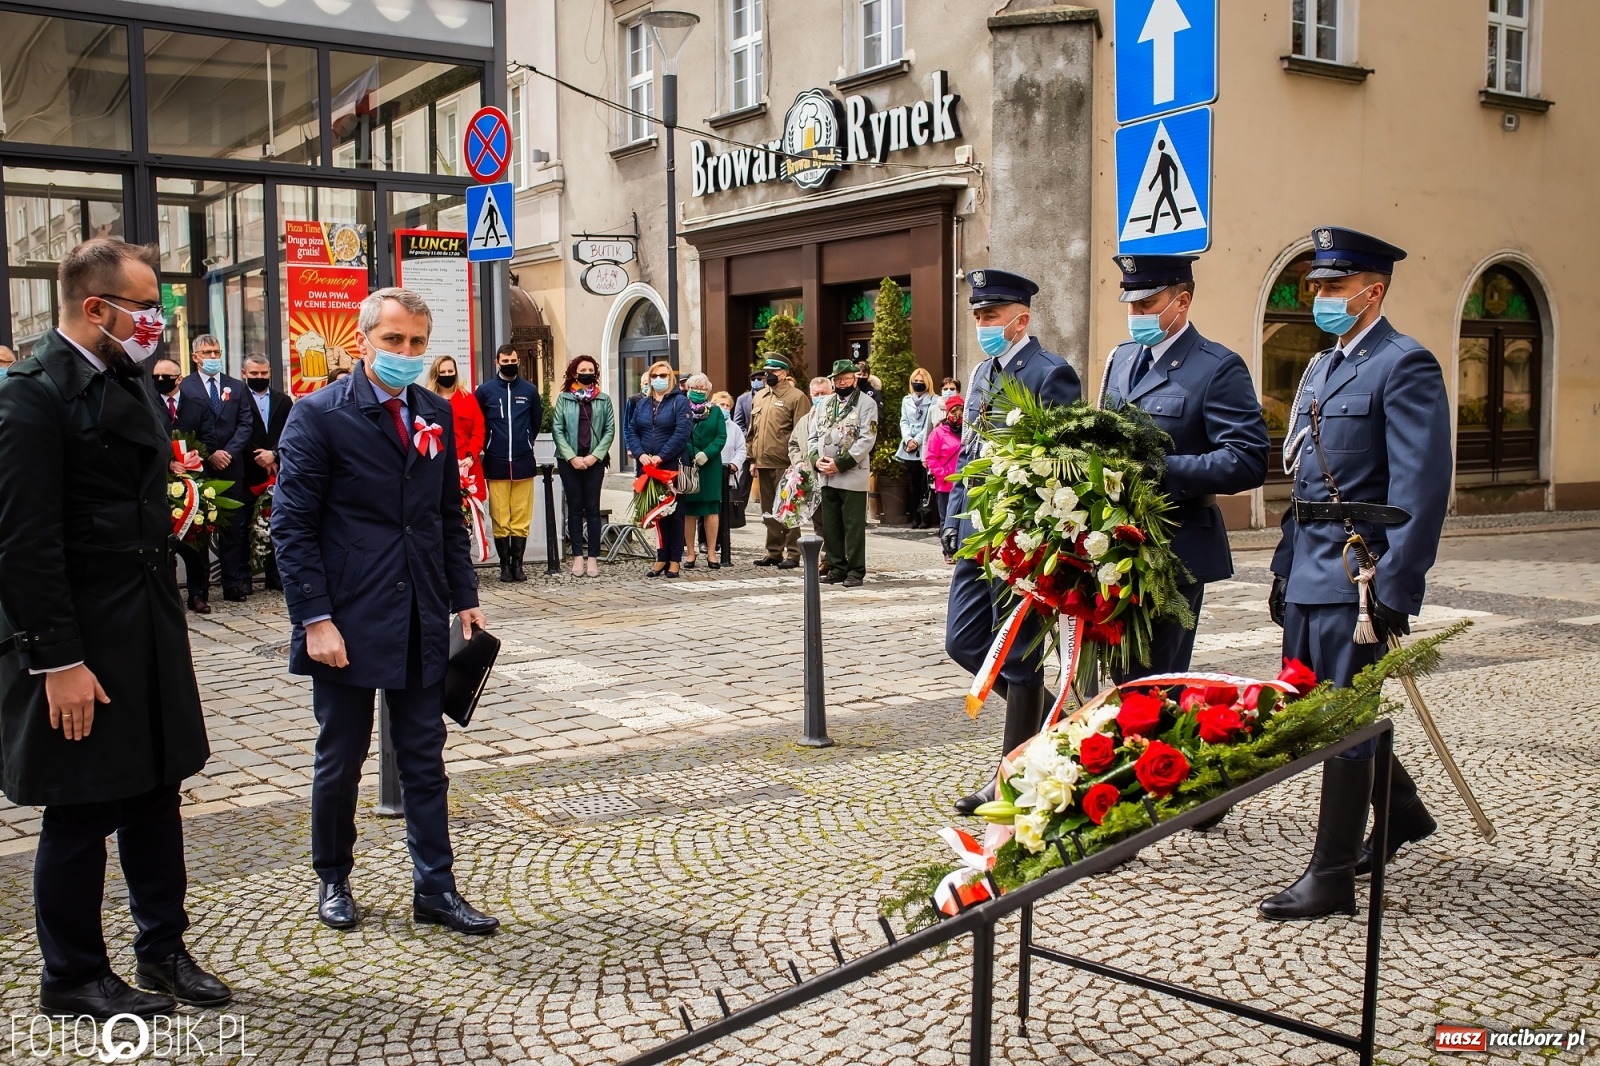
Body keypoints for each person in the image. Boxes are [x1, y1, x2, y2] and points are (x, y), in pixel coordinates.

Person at [0, 239, 229, 1019]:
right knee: (82, 808)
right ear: (94, 308)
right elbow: (22, 542)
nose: (156, 324)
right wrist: (57, 660)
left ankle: (162, 948)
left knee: (156, 792)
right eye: (144, 309)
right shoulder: (31, 393)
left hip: (146, 624)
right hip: (82, 634)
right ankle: (71, 974)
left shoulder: (124, 378)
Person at [272, 287, 497, 936]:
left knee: (425, 758)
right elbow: (292, 527)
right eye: (394, 340)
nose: (406, 353)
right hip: (345, 617)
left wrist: (465, 597)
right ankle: (334, 878)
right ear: (364, 339)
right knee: (341, 757)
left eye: (417, 343)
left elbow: (445, 516)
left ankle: (436, 888)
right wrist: (315, 618)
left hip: (422, 614)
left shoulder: (434, 410)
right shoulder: (319, 415)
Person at [1259, 228, 1452, 922]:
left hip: (1357, 574)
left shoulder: (1404, 364)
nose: (1321, 298)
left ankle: (1331, 875)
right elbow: (1306, 480)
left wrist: (1398, 585)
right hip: (1309, 566)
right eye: (1317, 287)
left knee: (1338, 719)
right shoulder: (1320, 367)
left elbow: (1423, 488)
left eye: (1336, 287)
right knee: (1313, 716)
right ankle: (1399, 811)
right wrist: (1283, 569)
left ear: (1374, 290)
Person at [944, 269, 1082, 816]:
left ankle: (1012, 782)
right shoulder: (983, 373)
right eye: (977, 316)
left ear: (1021, 319)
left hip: (1022, 542)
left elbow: (1062, 463)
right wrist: (955, 519)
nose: (982, 324)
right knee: (963, 641)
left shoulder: (1051, 375)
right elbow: (967, 453)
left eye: (991, 316)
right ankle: (1054, 726)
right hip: (979, 535)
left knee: (1020, 663)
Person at [1099, 255, 1270, 679]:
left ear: (1182, 301)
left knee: (1151, 684)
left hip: (1175, 549)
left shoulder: (1216, 366)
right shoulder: (1121, 359)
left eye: (1148, 304)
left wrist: (1158, 468)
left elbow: (1247, 460)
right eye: (1132, 305)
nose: (1136, 315)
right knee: (1116, 680)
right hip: (1115, 546)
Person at [181, 333, 254, 601]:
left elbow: (246, 423)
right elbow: (183, 426)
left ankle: (232, 583)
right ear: (195, 357)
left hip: (231, 466)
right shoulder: (186, 387)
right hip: (200, 467)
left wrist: (228, 453)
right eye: (207, 353)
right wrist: (209, 454)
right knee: (198, 528)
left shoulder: (236, 386)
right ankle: (198, 590)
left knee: (233, 529)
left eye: (216, 352)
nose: (213, 357)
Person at [152, 356, 218, 613]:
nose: (160, 381)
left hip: (194, 482)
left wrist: (193, 460)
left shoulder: (197, 405)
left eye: (165, 376)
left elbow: (210, 439)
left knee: (195, 542)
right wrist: (168, 464)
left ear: (179, 379)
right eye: (156, 376)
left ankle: (198, 594)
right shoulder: (147, 404)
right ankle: (165, 597)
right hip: (159, 483)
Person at [808, 360, 879, 588]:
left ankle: (856, 571)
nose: (842, 382)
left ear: (854, 379)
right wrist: (815, 460)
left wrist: (840, 463)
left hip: (851, 474)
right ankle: (837, 567)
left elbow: (867, 439)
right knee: (831, 525)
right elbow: (813, 436)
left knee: (853, 526)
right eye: (838, 379)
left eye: (846, 378)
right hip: (826, 474)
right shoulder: (825, 403)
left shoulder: (866, 404)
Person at [475, 344, 541, 583]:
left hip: (523, 461)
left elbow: (535, 423)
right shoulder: (485, 391)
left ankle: (518, 565)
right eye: (505, 361)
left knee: (521, 517)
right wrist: (488, 446)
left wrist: (525, 442)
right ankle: (504, 566)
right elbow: (479, 424)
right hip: (496, 461)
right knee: (500, 516)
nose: (510, 364)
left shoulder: (530, 391)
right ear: (497, 363)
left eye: (513, 360)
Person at [622, 360, 692, 578]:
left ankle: (674, 560)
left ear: (670, 378)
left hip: (671, 465)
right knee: (657, 514)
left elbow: (682, 432)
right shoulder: (642, 403)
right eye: (654, 376)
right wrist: (642, 455)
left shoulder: (679, 402)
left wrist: (661, 456)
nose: (658, 380)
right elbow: (632, 430)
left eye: (663, 375)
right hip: (647, 466)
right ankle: (661, 557)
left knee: (675, 514)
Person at [552, 355, 614, 577]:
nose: (586, 372)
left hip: (594, 461)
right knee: (575, 508)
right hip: (570, 461)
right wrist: (571, 457)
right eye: (582, 369)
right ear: (574, 373)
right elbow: (557, 429)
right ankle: (577, 556)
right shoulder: (564, 399)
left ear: (595, 373)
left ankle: (593, 559)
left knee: (593, 508)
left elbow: (609, 430)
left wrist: (595, 456)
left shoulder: (603, 399)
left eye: (590, 369)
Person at [748, 355, 809, 569]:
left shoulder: (796, 397)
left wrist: (799, 462)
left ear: (783, 374)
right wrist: (752, 458)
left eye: (772, 372)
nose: (768, 376)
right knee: (769, 511)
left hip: (786, 462)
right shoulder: (761, 396)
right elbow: (752, 431)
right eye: (766, 371)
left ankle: (793, 553)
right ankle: (773, 551)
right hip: (763, 462)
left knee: (789, 508)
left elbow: (802, 432)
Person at [242, 353, 294, 592]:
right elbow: (238, 431)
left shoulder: (284, 401)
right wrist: (260, 457)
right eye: (254, 374)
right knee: (245, 525)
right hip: (247, 470)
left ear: (270, 372)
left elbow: (290, 432)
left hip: (277, 470)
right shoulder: (238, 399)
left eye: (263, 373)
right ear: (245, 374)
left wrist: (274, 454)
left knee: (277, 524)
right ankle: (244, 578)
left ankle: (276, 576)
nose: (259, 377)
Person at [680, 374, 729, 570]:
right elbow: (681, 434)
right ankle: (690, 553)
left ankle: (711, 553)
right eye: (695, 388)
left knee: (711, 510)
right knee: (689, 511)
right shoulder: (682, 410)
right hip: (689, 464)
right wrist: (693, 453)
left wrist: (707, 454)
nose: (699, 392)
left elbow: (721, 436)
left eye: (702, 389)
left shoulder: (716, 411)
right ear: (688, 389)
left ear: (708, 392)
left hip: (710, 466)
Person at [428, 355, 486, 505]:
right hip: (437, 466)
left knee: (469, 515)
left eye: (450, 371)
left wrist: (471, 456)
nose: (447, 375)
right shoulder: (427, 400)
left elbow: (479, 431)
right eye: (443, 372)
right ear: (436, 374)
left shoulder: (468, 399)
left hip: (467, 467)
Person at [923, 394, 964, 562]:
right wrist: (945, 475)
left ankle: (961, 549)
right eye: (954, 411)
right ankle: (948, 551)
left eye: (961, 412)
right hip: (946, 484)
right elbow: (931, 458)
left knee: (962, 518)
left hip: (964, 483)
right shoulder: (938, 432)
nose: (958, 415)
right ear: (947, 413)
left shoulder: (967, 432)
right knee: (946, 518)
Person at [897, 367, 938, 529]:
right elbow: (903, 421)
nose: (918, 384)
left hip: (925, 444)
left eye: (921, 381)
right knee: (913, 483)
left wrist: (918, 440)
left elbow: (930, 424)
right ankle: (914, 515)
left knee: (926, 483)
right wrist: (908, 439)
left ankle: (926, 516)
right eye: (915, 381)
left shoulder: (934, 400)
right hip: (909, 447)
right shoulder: (907, 400)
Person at [712, 390, 747, 567]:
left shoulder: (734, 428)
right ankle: (709, 542)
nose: (724, 408)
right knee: (710, 510)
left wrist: (734, 464)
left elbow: (741, 449)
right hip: (711, 472)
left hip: (728, 474)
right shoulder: (709, 423)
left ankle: (723, 544)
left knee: (724, 511)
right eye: (721, 405)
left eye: (727, 406)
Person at [732, 368, 763, 433]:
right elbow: (738, 422)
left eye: (759, 379)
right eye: (753, 379)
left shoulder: (772, 396)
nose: (756, 381)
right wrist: (747, 437)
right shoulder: (742, 399)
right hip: (749, 440)